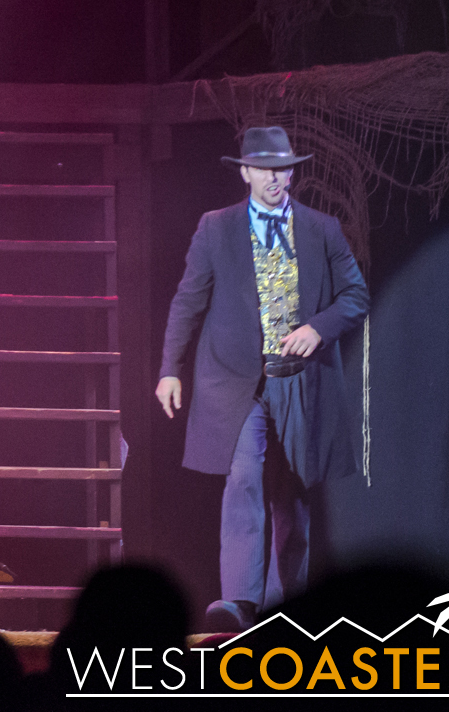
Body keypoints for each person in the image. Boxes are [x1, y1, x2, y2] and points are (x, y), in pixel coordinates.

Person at [156, 126, 368, 631]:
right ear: (246, 172)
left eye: (285, 168)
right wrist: (169, 368)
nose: (278, 178)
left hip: (299, 380)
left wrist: (318, 327)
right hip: (234, 380)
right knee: (244, 477)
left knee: (291, 492)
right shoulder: (216, 227)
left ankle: (284, 600)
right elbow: (188, 300)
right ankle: (242, 601)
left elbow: (355, 295)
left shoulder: (322, 228)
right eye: (267, 169)